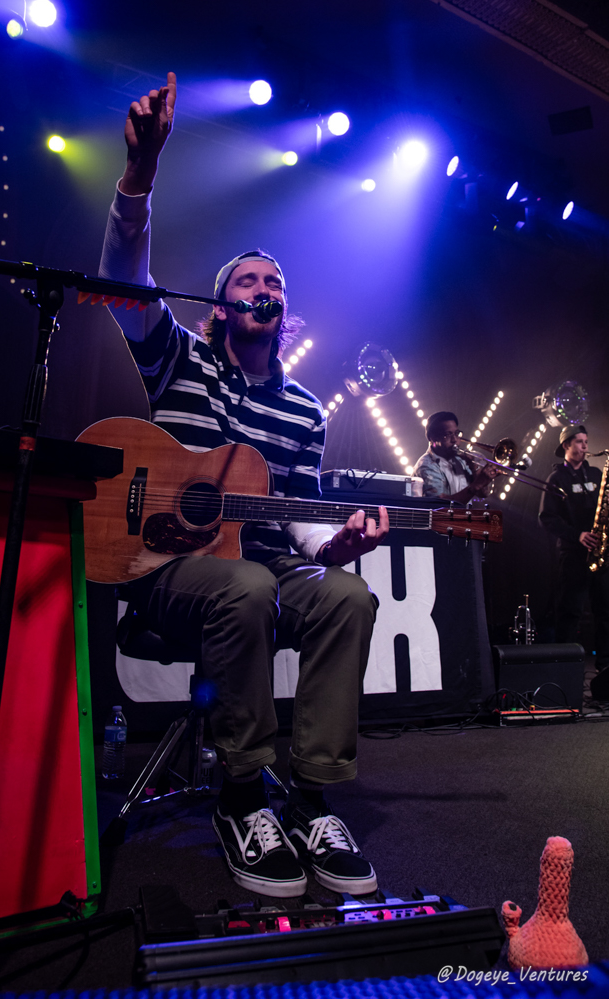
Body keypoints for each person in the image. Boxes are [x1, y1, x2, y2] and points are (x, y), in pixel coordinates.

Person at [99, 74, 389, 898]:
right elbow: (121, 275)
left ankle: (309, 794)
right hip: (166, 574)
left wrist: (341, 542)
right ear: (220, 307)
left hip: (262, 570)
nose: (267, 287)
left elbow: (302, 525)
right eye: (251, 281)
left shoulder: (303, 409)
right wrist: (139, 174)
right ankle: (239, 792)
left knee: (343, 596)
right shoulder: (178, 357)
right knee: (244, 582)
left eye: (277, 283)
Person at [539, 425, 609, 668]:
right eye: (579, 442)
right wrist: (577, 535)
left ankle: (605, 669)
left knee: (606, 613)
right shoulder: (556, 479)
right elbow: (547, 518)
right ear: (566, 445)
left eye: (586, 441)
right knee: (570, 614)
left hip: (600, 554)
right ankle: (565, 671)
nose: (585, 446)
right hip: (573, 555)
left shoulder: (598, 475)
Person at [413, 412, 499, 501]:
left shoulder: (460, 460)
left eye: (456, 433)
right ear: (432, 438)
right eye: (448, 434)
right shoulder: (427, 466)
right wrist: (477, 485)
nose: (455, 439)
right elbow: (440, 506)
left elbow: (483, 494)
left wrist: (476, 472)